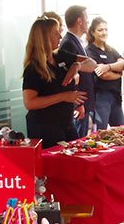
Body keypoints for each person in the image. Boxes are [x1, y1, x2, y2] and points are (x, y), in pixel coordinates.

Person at [22, 17, 92, 149]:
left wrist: (77, 66)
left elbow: (91, 63)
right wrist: (64, 96)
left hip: (66, 123)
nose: (60, 36)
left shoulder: (60, 56)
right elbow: (29, 103)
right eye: (56, 33)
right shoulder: (33, 68)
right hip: (45, 128)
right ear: (44, 38)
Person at [59, 5, 96, 137]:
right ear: (79, 21)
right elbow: (70, 77)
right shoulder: (69, 43)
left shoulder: (77, 42)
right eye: (87, 19)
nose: (88, 23)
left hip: (85, 102)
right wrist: (78, 105)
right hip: (79, 104)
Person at [85, 17, 124, 128]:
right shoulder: (90, 51)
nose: (104, 33)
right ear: (92, 32)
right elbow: (103, 75)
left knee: (121, 129)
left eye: (105, 30)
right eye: (100, 30)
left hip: (116, 97)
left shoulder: (110, 50)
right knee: (100, 132)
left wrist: (108, 66)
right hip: (101, 97)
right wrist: (117, 73)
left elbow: (123, 64)